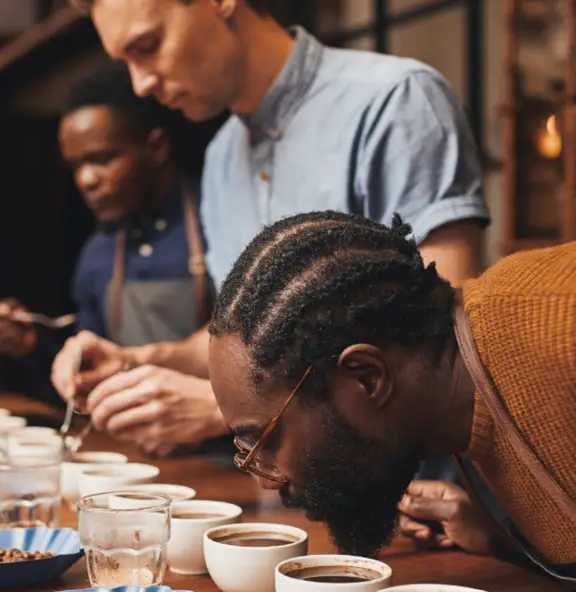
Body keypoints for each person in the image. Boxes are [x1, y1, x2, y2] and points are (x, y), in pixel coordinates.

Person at [51, 0, 489, 456]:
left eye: (148, 46)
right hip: (280, 488)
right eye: (126, 62)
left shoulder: (394, 101)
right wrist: (138, 360)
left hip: (408, 496)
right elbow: (245, 339)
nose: (141, 84)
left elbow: (442, 348)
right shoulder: (222, 156)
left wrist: (225, 410)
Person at [206, 210, 576, 575]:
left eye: (263, 442)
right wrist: (503, 543)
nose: (266, 480)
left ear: (367, 377)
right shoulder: (467, 390)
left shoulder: (562, 325)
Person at [0, 61, 213, 403]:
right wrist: (31, 345)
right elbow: (86, 382)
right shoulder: (98, 253)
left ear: (157, 147)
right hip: (131, 439)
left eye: (102, 159)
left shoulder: (220, 218)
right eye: (76, 166)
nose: (86, 180)